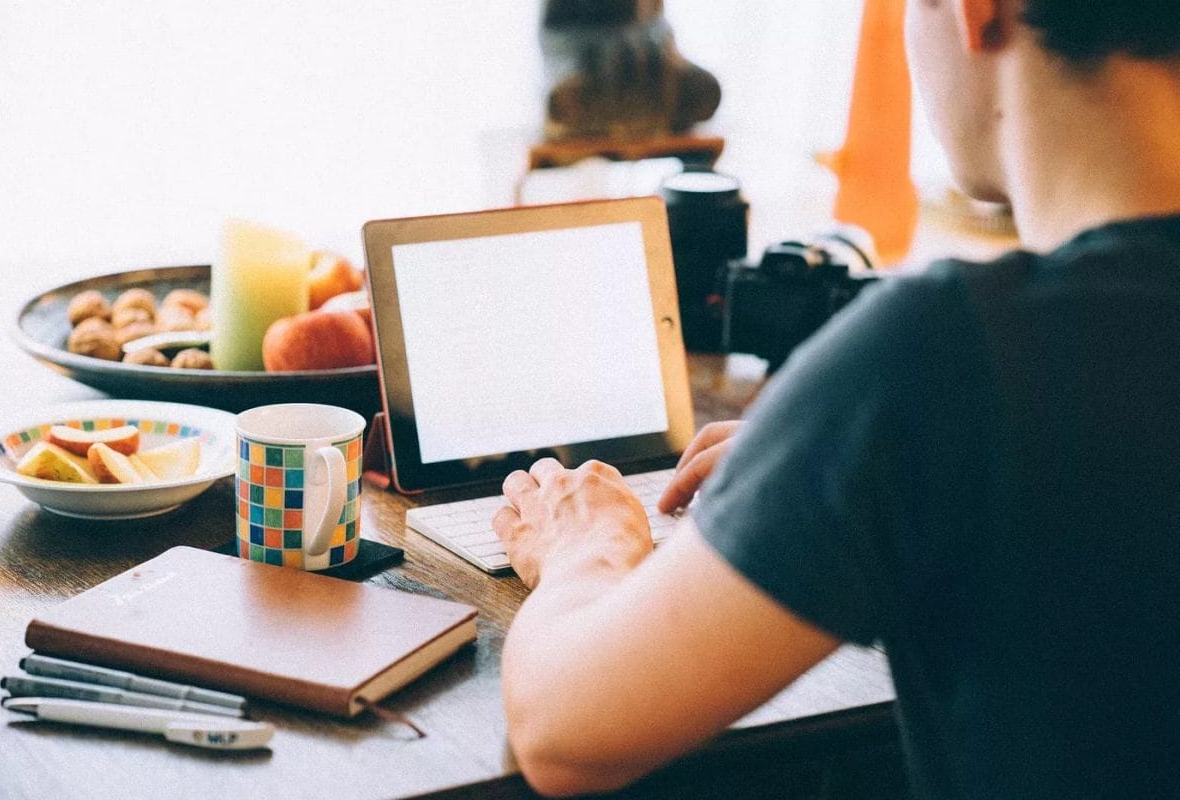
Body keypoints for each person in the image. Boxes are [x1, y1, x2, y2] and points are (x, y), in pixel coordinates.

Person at [493, 1, 1180, 798]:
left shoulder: (947, 353)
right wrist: (822, 456)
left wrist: (588, 546)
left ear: (974, 12)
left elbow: (563, 732)